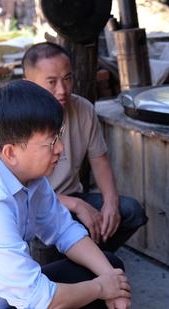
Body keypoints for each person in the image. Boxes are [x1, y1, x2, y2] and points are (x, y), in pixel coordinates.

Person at [0, 80, 131, 308]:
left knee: (109, 265)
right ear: (11, 152)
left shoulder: (23, 171)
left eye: (59, 135)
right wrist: (101, 288)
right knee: (91, 290)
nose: (60, 148)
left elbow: (63, 229)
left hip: (6, 298)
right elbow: (39, 299)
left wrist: (113, 281)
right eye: (50, 142)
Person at [22, 42, 147, 251]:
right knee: (50, 245)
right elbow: (24, 193)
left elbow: (100, 161)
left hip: (71, 198)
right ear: (29, 84)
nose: (62, 90)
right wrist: (77, 206)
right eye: (52, 82)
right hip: (34, 209)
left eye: (68, 79)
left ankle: (90, 258)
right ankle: (81, 260)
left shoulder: (83, 109)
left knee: (130, 211)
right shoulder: (19, 120)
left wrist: (110, 203)